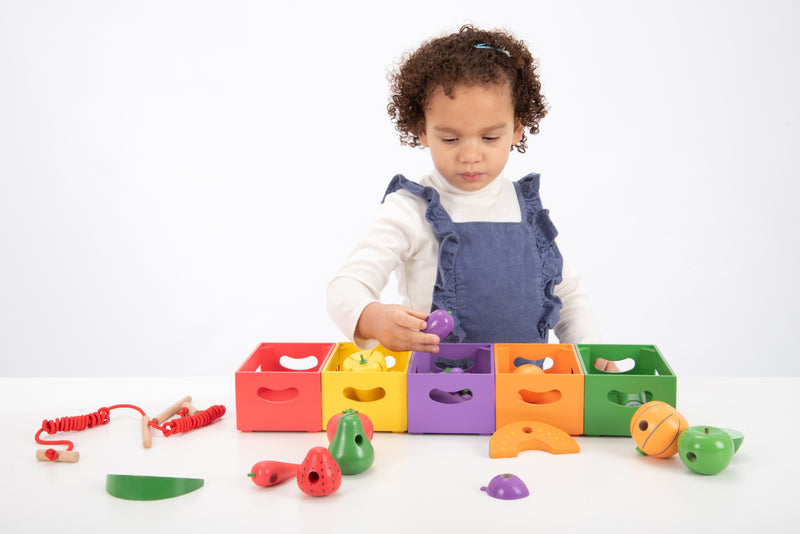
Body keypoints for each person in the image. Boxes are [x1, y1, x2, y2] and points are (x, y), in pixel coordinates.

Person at [327, 25, 613, 369]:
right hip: (440, 396)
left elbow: (568, 298)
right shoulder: (410, 210)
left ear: (516, 129)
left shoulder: (529, 211)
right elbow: (345, 286)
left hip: (525, 394)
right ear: (422, 131)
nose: (470, 155)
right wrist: (373, 317)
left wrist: (592, 354)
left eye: (490, 137)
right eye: (450, 139)